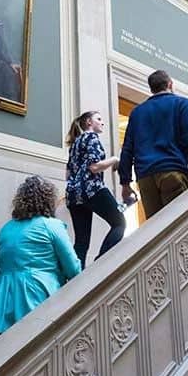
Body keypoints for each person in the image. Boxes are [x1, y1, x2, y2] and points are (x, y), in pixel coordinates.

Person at [0, 175, 81, 337]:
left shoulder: (5, 229)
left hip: (2, 303)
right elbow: (73, 268)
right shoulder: (51, 225)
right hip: (37, 296)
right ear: (49, 200)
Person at [118, 69, 188, 217]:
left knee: (156, 227)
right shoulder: (182, 104)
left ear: (151, 89)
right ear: (170, 84)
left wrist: (125, 183)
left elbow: (127, 149)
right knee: (179, 224)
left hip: (145, 178)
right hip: (172, 171)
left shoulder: (137, 112)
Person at [65, 111, 125, 268]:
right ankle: (99, 264)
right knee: (120, 223)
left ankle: (76, 279)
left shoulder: (75, 143)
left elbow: (68, 174)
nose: (102, 122)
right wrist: (115, 159)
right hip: (92, 189)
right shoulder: (91, 137)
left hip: (74, 195)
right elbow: (94, 167)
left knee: (81, 242)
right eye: (99, 119)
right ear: (88, 122)